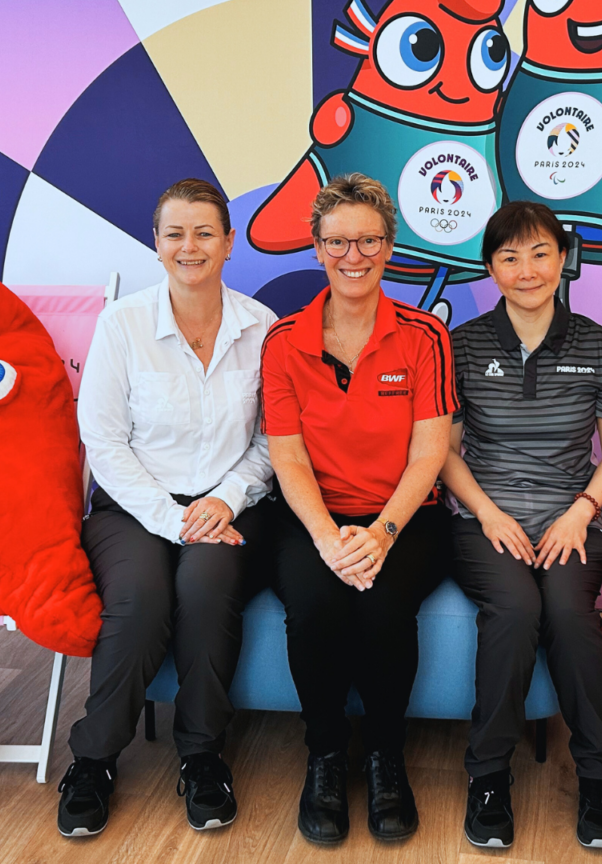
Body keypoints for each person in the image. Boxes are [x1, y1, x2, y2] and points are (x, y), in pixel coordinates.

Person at [57, 179, 277, 837]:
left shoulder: (260, 326)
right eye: (175, 233)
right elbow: (102, 440)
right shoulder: (122, 324)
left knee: (207, 589)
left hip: (229, 504)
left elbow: (272, 440)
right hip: (134, 508)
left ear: (229, 243)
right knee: (143, 600)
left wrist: (225, 499)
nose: (190, 246)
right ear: (156, 244)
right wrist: (168, 516)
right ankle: (94, 758)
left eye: (204, 232)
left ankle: (202, 756)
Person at [260, 173, 455, 845]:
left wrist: (381, 534)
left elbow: (430, 453)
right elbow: (286, 456)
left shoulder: (425, 335)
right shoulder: (284, 340)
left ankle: (385, 756)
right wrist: (326, 538)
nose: (354, 255)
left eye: (368, 240)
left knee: (382, 606)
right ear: (316, 248)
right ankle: (324, 754)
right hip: (314, 516)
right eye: (338, 241)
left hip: (406, 518)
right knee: (315, 605)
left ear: (390, 246)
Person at [440, 200, 602, 849]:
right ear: (490, 268)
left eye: (540, 253)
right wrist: (488, 512)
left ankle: (600, 778)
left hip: (569, 521)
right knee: (517, 610)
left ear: (563, 258)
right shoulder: (461, 347)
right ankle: (489, 777)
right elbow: (442, 451)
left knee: (571, 614)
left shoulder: (601, 346)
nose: (526, 270)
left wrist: (580, 512)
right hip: (482, 520)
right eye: (509, 256)